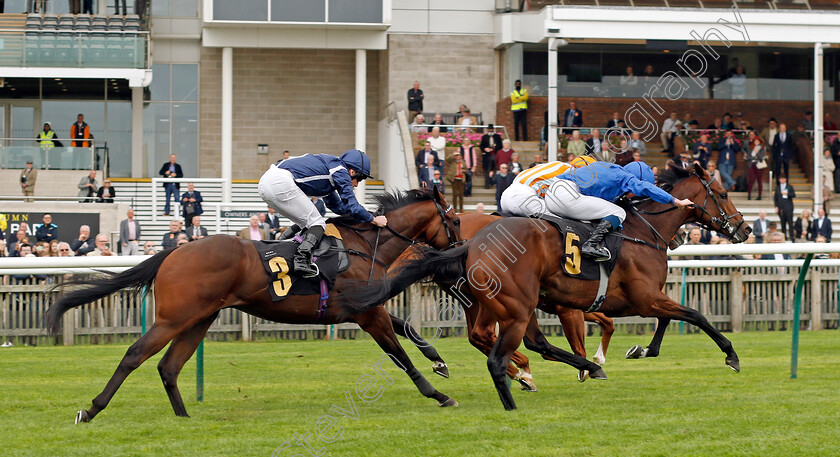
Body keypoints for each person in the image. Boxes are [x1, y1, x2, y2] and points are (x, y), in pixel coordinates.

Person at [258, 149, 386, 277]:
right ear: (352, 171)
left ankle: (279, 244)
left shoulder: (331, 170)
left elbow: (338, 208)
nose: (357, 184)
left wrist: (366, 215)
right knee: (317, 222)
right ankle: (300, 260)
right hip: (280, 182)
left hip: (267, 183)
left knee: (307, 224)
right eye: (360, 179)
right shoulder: (341, 171)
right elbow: (352, 205)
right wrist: (373, 219)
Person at [551, 161, 693, 261]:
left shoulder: (609, 168)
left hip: (550, 193)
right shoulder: (626, 177)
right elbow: (645, 188)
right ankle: (590, 245)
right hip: (566, 194)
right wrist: (676, 201)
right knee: (619, 213)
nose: (636, 195)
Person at [743, 132, 766, 200]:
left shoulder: (762, 149)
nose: (756, 142)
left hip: (759, 166)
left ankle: (759, 195)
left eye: (757, 141)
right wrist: (754, 157)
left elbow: (761, 157)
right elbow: (748, 157)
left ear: (759, 142)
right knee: (751, 180)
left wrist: (756, 153)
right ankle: (749, 194)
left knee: (759, 180)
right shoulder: (750, 148)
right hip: (751, 165)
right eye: (755, 141)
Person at [774, 175, 796, 241]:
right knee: (782, 223)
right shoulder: (777, 188)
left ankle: (792, 237)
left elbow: (793, 195)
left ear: (785, 179)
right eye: (781, 179)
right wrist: (776, 206)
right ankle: (784, 237)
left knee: (790, 223)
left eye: (783, 179)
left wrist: (787, 193)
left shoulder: (790, 187)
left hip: (788, 208)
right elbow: (775, 198)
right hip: (781, 208)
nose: (782, 180)